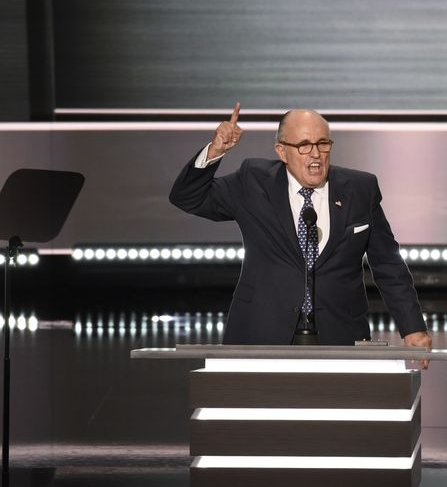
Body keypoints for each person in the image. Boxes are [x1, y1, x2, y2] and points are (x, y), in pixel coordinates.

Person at [170, 103, 432, 365]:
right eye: (304, 145)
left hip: (339, 336)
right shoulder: (254, 182)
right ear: (282, 151)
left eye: (323, 143)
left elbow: (388, 263)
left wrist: (413, 327)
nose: (315, 154)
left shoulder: (360, 189)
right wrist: (215, 151)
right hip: (261, 334)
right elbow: (187, 197)